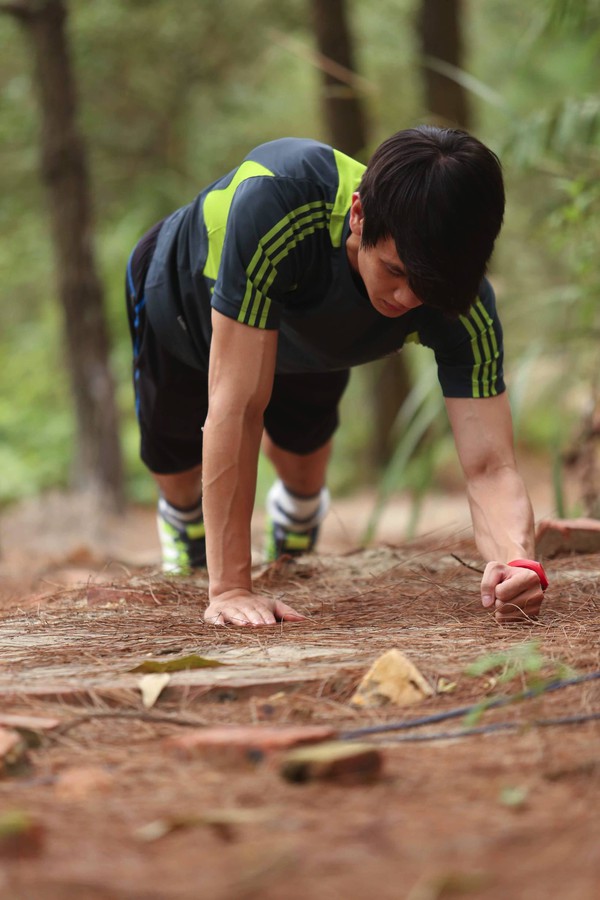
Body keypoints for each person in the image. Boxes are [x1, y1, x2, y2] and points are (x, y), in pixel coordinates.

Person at [125, 126, 548, 627]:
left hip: (311, 327)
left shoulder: (461, 296)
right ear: (358, 215)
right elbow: (236, 411)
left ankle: (296, 526)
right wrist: (232, 588)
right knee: (177, 471)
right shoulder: (278, 200)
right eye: (395, 271)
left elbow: (490, 467)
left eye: (429, 286)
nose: (409, 300)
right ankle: (186, 531)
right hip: (183, 303)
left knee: (305, 466)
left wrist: (518, 562)